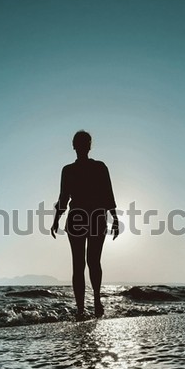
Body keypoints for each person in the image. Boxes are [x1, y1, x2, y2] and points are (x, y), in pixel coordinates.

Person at [51, 130, 119, 319]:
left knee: (79, 264)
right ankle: (95, 302)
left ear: (75, 146)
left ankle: (82, 309)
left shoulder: (70, 170)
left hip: (80, 218)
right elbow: (108, 195)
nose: (83, 146)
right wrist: (114, 218)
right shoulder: (98, 167)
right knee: (93, 262)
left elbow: (63, 199)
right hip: (95, 217)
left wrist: (56, 220)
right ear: (88, 146)